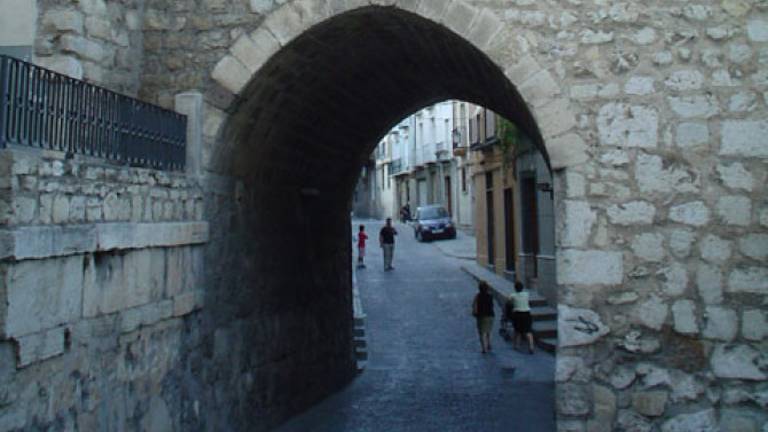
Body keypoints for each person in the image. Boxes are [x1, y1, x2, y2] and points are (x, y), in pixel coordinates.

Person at [510, 281, 535, 354]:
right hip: (527, 314)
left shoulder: (513, 295)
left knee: (517, 331)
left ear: (515, 288)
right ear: (522, 288)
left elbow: (509, 302)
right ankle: (531, 346)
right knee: (528, 331)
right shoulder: (526, 294)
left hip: (517, 314)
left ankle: (516, 345)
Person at [472, 281, 495, 354]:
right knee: (488, 330)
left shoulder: (477, 296)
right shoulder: (490, 296)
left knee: (482, 333)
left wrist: (474, 313)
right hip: (491, 315)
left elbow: (474, 305)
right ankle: (489, 344)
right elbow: (492, 305)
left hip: (481, 316)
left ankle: (484, 348)